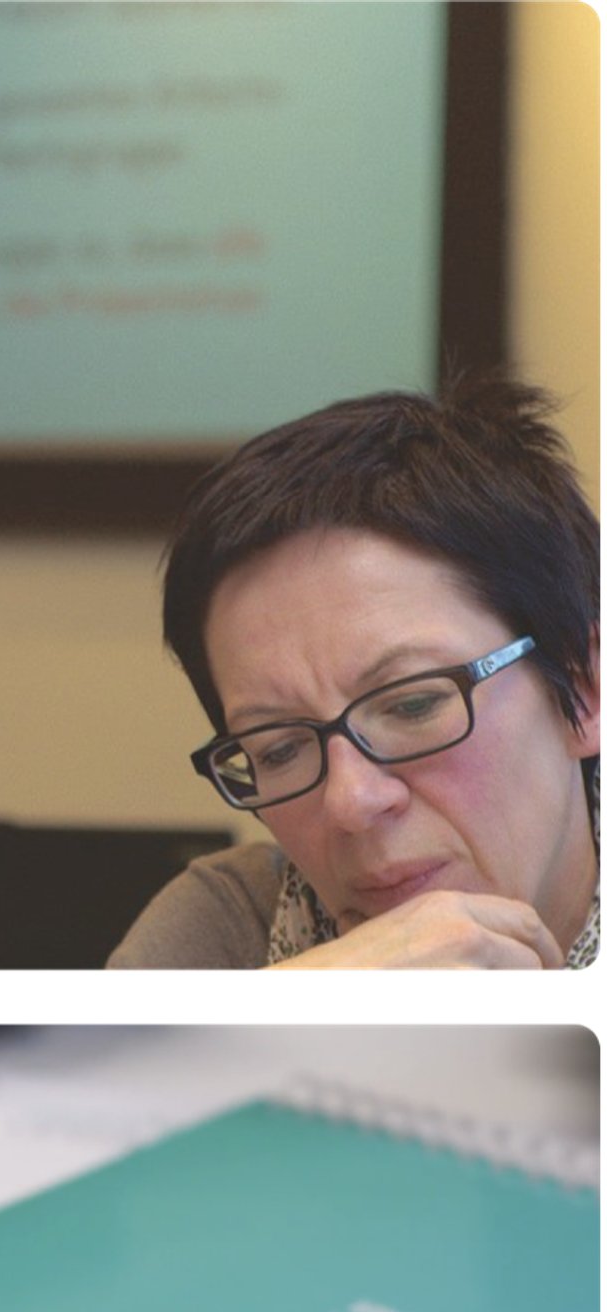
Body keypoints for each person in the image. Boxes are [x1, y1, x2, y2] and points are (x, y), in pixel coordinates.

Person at [109, 373, 600, 969]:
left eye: (413, 705)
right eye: (280, 749)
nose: (349, 802)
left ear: (583, 687)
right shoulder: (230, 928)